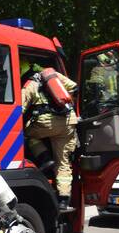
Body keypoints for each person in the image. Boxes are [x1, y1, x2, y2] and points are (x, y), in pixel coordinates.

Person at [21, 64, 78, 210]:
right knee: (64, 162)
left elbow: (19, 109)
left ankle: (45, 158)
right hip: (67, 123)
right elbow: (75, 88)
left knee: (26, 134)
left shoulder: (30, 84)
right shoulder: (56, 76)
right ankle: (64, 200)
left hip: (45, 124)